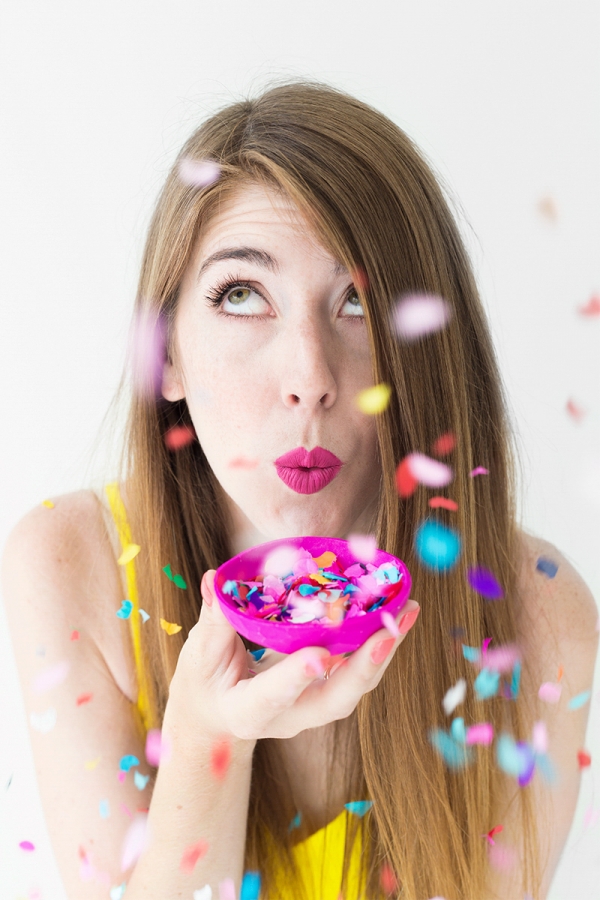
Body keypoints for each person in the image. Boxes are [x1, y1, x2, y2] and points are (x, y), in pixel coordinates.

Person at [2, 81, 598, 900]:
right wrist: (210, 735)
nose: (311, 378)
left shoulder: (539, 617)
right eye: (242, 296)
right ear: (165, 356)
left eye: (360, 300)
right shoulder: (72, 564)